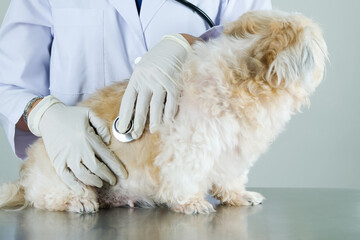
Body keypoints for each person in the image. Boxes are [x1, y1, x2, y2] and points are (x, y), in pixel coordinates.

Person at [0, 0, 271, 193]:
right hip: (80, 190)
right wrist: (43, 115)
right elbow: (8, 84)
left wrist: (190, 44)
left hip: (190, 197)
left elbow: (266, 56)